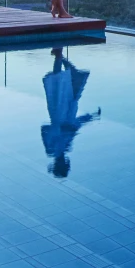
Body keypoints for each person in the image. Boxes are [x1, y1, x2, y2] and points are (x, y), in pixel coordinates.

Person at [41, 47, 100, 178]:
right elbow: (75, 125)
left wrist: (60, 129)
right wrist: (91, 117)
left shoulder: (51, 149)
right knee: (66, 82)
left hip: (57, 113)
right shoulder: (66, 146)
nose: (63, 162)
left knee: (57, 83)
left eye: (61, 165)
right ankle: (60, 56)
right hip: (68, 110)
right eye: (64, 164)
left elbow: (45, 129)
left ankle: (59, 56)